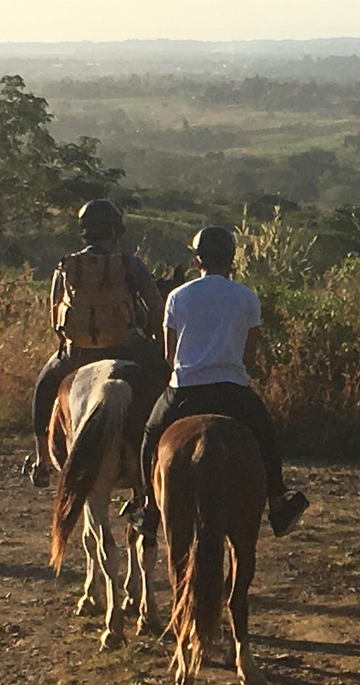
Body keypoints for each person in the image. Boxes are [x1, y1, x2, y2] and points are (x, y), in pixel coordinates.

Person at [136, 225, 308, 544]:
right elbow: (249, 357)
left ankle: (147, 508)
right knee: (266, 437)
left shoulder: (177, 296)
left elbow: (169, 356)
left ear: (197, 262)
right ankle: (277, 504)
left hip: (185, 391)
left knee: (149, 435)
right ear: (232, 260)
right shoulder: (246, 297)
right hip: (232, 391)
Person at [23, 199, 168, 486]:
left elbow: (55, 314)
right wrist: (157, 344)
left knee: (44, 387)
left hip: (77, 352)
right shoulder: (130, 264)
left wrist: (69, 343)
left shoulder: (66, 265)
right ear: (116, 230)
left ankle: (41, 460)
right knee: (170, 384)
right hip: (127, 346)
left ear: (85, 231)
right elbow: (156, 309)